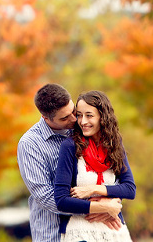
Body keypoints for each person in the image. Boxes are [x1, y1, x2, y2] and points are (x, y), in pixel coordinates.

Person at [18, 84, 122, 242]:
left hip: (96, 229)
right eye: (64, 118)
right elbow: (46, 197)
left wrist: (112, 201)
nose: (74, 119)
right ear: (46, 118)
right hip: (54, 233)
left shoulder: (85, 128)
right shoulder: (30, 144)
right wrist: (98, 207)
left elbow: (114, 171)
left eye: (73, 111)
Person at [54, 90, 136, 242]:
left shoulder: (115, 145)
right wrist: (105, 207)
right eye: (79, 115)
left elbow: (130, 189)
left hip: (115, 231)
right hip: (81, 231)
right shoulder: (70, 146)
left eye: (89, 115)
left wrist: (94, 190)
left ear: (103, 117)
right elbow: (61, 200)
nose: (83, 121)